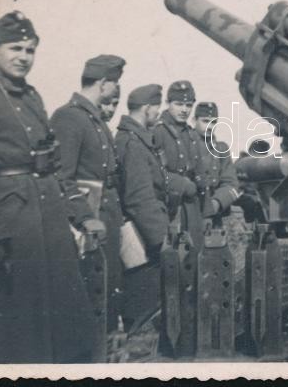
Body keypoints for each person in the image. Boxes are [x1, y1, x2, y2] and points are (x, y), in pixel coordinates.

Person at [0, 11, 98, 363]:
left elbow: (56, 163)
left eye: (30, 50)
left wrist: (82, 215)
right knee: (23, 323)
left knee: (65, 317)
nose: (23, 57)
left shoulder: (32, 96)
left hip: (48, 215)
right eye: (15, 48)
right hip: (14, 220)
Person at [50, 54, 127, 327]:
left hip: (106, 217)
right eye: (115, 83)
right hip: (87, 223)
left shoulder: (94, 119)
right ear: (104, 83)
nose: (116, 89)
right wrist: (83, 217)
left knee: (107, 286)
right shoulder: (69, 117)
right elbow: (61, 175)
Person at [115, 84, 171, 325]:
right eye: (156, 108)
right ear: (147, 108)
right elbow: (139, 198)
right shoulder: (134, 143)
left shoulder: (134, 139)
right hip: (142, 240)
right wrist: (163, 240)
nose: (158, 113)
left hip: (143, 235)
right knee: (145, 311)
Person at [152, 81, 207, 248]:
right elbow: (152, 172)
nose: (184, 110)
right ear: (167, 103)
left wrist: (207, 213)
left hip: (191, 209)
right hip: (168, 207)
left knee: (195, 254)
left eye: (189, 105)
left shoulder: (191, 134)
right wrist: (181, 184)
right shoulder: (157, 131)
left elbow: (200, 175)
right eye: (178, 104)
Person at [193, 102, 242, 224]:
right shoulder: (186, 145)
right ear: (194, 120)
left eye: (213, 122)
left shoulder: (221, 149)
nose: (209, 126)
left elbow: (231, 183)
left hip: (216, 212)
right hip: (192, 211)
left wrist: (216, 203)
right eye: (205, 121)